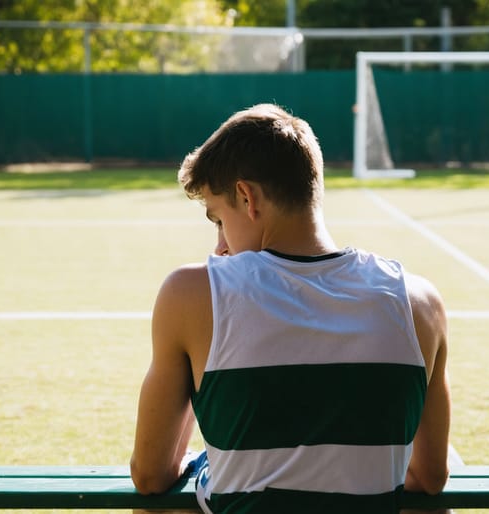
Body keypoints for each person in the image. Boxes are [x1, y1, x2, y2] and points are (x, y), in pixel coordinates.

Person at [130, 103, 451, 513]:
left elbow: (150, 475)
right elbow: (429, 476)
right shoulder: (420, 301)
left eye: (218, 220)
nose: (220, 246)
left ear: (247, 197)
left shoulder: (193, 292)